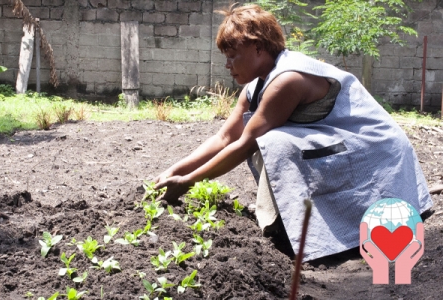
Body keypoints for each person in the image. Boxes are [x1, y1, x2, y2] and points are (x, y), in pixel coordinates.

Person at [153, 4, 433, 262]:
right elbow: (224, 138)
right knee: (275, 142)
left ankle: (307, 231)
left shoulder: (287, 80)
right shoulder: (254, 87)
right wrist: (170, 172)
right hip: (344, 144)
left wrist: (189, 181)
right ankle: (286, 226)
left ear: (258, 48)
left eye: (232, 56)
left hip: (375, 150)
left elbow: (245, 144)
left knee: (273, 142)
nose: (227, 65)